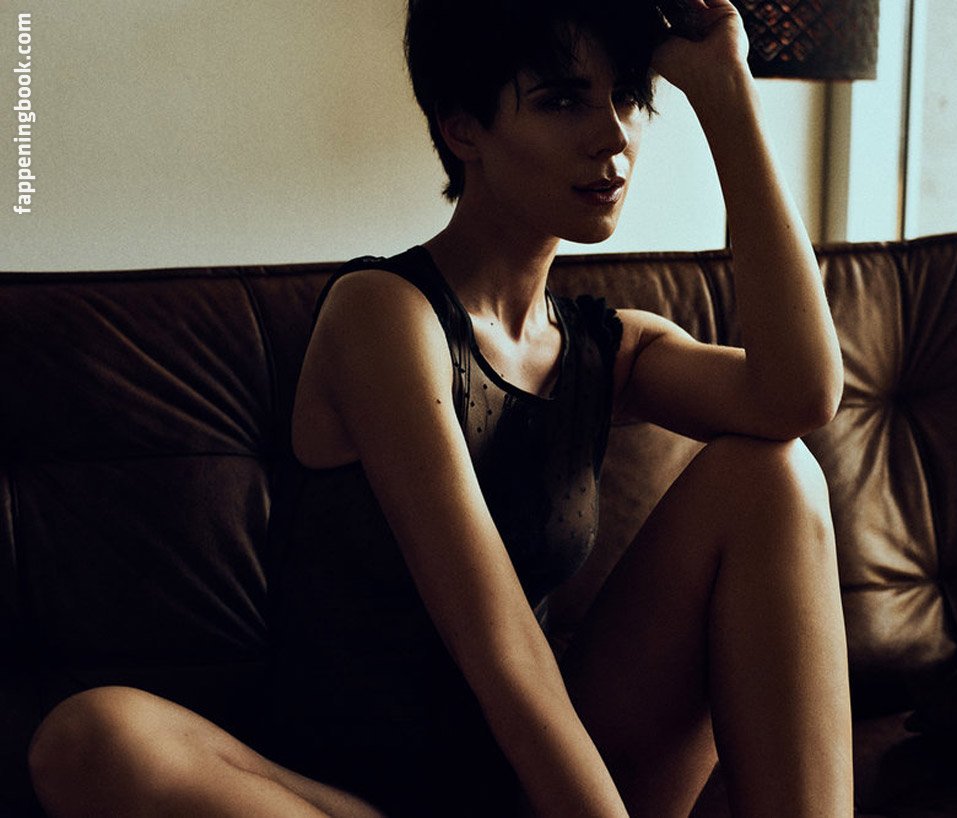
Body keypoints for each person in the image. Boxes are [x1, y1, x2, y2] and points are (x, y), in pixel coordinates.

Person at [26, 0, 852, 815]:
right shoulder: (383, 314)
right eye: (563, 100)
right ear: (463, 131)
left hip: (529, 790)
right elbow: (496, 642)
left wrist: (726, 93)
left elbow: (798, 397)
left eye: (629, 97)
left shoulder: (608, 349)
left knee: (773, 478)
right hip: (349, 801)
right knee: (94, 736)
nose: (612, 137)